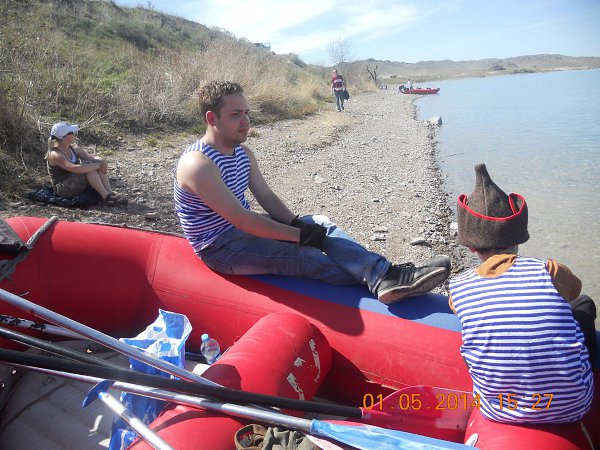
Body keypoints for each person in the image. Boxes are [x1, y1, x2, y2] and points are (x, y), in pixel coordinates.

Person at [174, 80, 451, 304]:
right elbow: (242, 219)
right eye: (235, 115)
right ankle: (385, 281)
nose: (245, 120)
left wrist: (299, 224)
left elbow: (266, 197)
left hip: (243, 233)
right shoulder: (198, 164)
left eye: (246, 113)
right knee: (308, 257)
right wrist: (300, 237)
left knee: (319, 223)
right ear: (211, 118)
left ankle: (384, 275)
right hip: (221, 248)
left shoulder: (242, 153)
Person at [449, 163, 595, 424]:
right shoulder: (548, 270)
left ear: (471, 247)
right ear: (519, 237)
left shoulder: (459, 288)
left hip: (497, 410)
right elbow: (575, 291)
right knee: (584, 305)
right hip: (573, 407)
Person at [46, 122, 126, 206]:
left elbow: (91, 158)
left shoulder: (74, 148)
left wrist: (102, 161)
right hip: (62, 188)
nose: (74, 134)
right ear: (64, 137)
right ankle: (106, 197)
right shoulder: (55, 154)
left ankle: (110, 194)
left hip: (75, 182)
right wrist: (96, 165)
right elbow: (74, 168)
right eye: (72, 133)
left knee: (93, 165)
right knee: (89, 169)